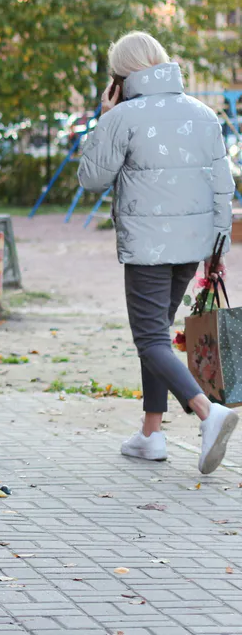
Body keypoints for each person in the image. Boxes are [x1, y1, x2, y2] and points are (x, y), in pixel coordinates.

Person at [78, 30, 239, 474]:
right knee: (158, 336)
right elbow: (223, 185)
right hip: (193, 244)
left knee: (149, 338)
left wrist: (105, 118)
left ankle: (209, 413)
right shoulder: (204, 114)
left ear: (121, 77)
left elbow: (91, 179)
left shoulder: (122, 116)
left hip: (148, 246)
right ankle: (151, 434)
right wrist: (218, 245)